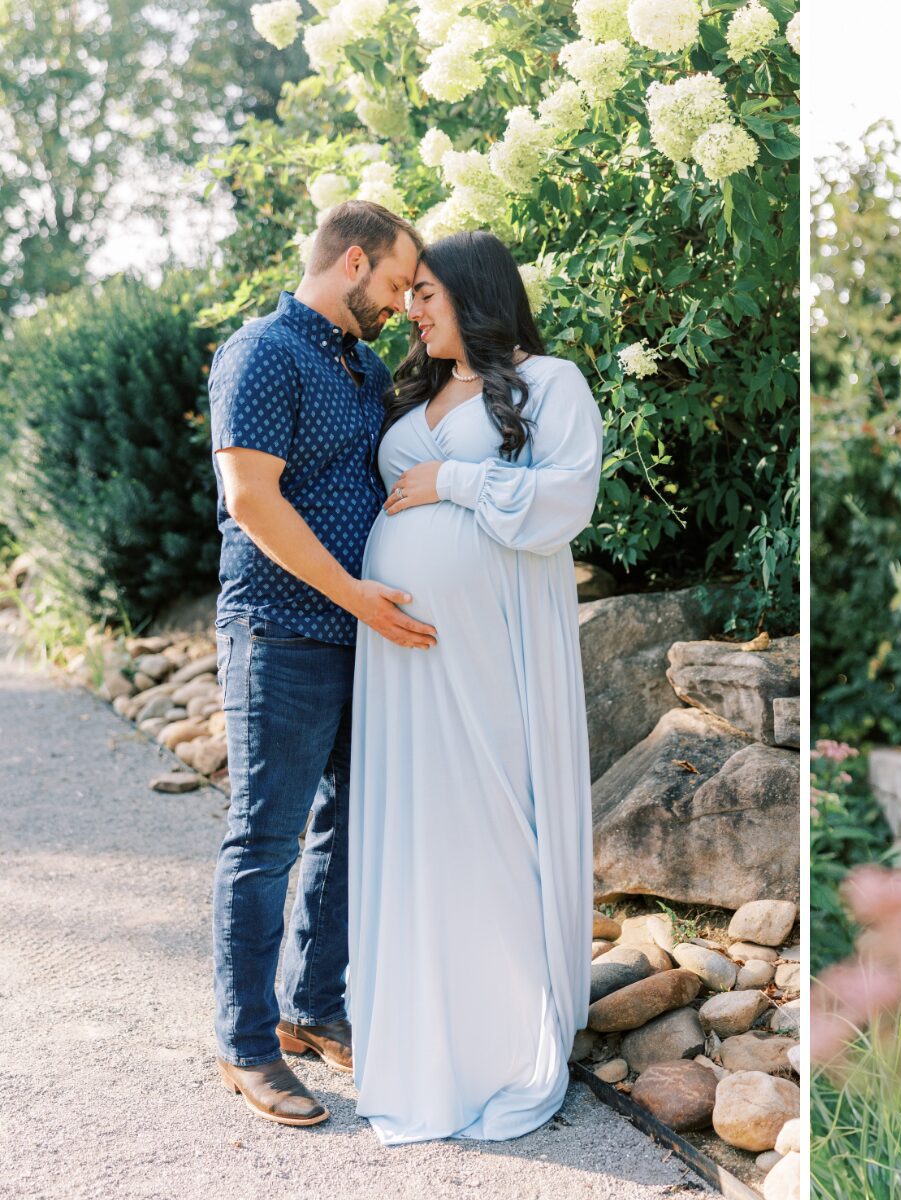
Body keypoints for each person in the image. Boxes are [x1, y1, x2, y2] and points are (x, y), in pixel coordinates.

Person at [345, 230, 603, 1144]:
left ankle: (495, 1040)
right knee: (415, 819)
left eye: (426, 293)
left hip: (489, 645)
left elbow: (565, 499)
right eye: (408, 293)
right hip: (398, 653)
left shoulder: (552, 382)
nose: (411, 309)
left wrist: (451, 478)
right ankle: (422, 1028)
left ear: (476, 294)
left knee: (491, 811)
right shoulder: (410, 390)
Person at [209, 200, 436, 1126]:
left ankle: (315, 1004)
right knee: (264, 841)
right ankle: (247, 1044)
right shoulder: (263, 351)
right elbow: (252, 500)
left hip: (359, 635)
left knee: (350, 828)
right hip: (283, 628)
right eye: (392, 284)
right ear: (351, 262)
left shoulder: (363, 362)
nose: (399, 303)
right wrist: (355, 596)